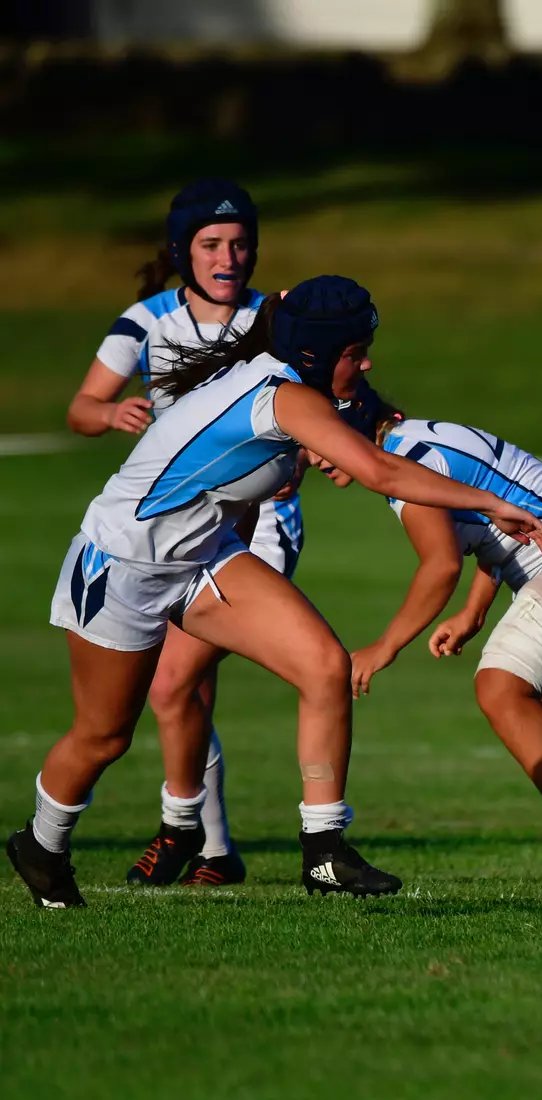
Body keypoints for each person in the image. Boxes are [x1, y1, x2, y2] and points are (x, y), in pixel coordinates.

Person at [6, 276, 542, 908]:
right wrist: (490, 501)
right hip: (122, 564)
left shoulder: (296, 383)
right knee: (105, 737)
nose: (367, 361)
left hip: (200, 558)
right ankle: (41, 845)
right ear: (319, 355)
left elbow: (356, 426)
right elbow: (380, 470)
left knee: (323, 665)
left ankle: (324, 850)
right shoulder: (286, 397)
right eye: (356, 352)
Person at [331, 383, 542, 900]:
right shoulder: (415, 442)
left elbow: (440, 566)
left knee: (499, 687)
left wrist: (384, 646)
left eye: (316, 439)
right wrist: (475, 609)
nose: (310, 455)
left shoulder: (403, 464)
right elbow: (501, 521)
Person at [66, 179, 285, 887]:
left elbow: (323, 401)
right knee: (183, 691)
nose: (230, 257)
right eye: (212, 244)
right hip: (169, 529)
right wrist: (110, 415)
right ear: (182, 251)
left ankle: (184, 829)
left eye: (241, 243)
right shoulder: (147, 320)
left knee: (173, 685)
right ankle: (215, 851)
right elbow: (82, 407)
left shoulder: (276, 319)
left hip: (258, 524)